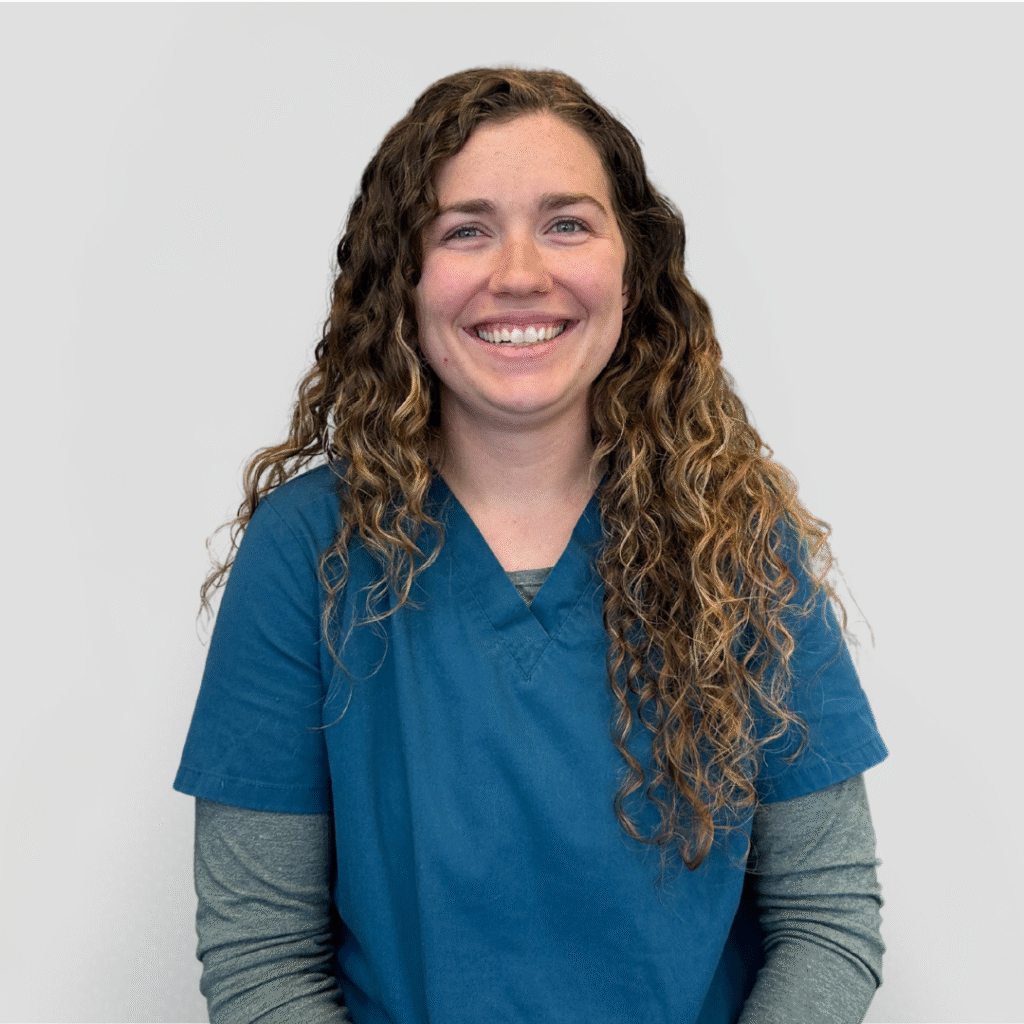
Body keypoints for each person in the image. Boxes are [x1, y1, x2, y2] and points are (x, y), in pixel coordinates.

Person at [174, 67, 887, 1024]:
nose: (520, 272)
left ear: (632, 268)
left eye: (567, 224)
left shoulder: (737, 543)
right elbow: (262, 959)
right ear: (405, 278)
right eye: (466, 228)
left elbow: (828, 920)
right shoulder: (308, 553)